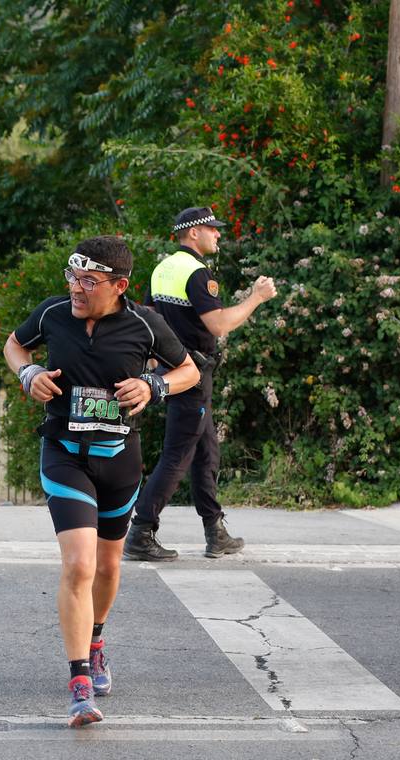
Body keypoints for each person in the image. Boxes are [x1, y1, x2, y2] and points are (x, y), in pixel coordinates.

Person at [3, 236, 198, 726]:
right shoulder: (52, 315)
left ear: (119, 285)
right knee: (78, 565)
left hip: (119, 460)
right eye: (72, 277)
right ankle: (79, 682)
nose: (76, 289)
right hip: (65, 455)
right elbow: (14, 344)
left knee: (109, 568)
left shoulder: (144, 325)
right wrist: (27, 374)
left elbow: (189, 372)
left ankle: (95, 640)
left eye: (89, 281)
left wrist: (153, 385)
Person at [124, 206, 276, 562]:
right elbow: (219, 325)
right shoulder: (196, 272)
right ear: (194, 233)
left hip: (171, 370)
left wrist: (151, 367)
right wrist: (256, 297)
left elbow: (148, 322)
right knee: (179, 454)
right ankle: (141, 530)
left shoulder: (163, 268)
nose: (218, 234)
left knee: (206, 451)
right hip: (192, 374)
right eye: (212, 228)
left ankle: (215, 530)